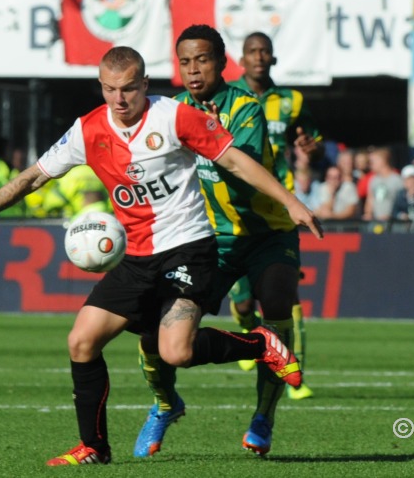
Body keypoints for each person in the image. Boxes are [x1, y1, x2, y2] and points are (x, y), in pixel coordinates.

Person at [0, 46, 321, 466]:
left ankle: (260, 343)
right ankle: (94, 447)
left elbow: (238, 162)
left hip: (188, 249)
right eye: (111, 89)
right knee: (81, 341)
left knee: (177, 352)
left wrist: (291, 201)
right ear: (101, 86)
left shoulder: (174, 116)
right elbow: (32, 178)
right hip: (136, 258)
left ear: (145, 85)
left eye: (129, 89)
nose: (120, 99)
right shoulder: (88, 130)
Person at [133, 25, 319, 459]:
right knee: (155, 327)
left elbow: (244, 165)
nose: (193, 70)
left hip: (267, 233)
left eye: (202, 60)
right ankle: (164, 403)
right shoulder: (171, 110)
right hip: (204, 239)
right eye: (185, 62)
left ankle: (263, 417)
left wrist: (212, 138)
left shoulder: (246, 108)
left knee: (276, 302)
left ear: (220, 63)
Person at [223, 30, 324, 399]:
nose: (260, 57)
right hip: (235, 208)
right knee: (244, 301)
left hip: (280, 207)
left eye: (266, 51)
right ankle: (247, 328)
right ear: (242, 58)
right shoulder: (226, 97)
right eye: (253, 51)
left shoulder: (291, 100)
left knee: (286, 296)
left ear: (274, 58)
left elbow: (313, 142)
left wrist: (311, 150)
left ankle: (293, 372)